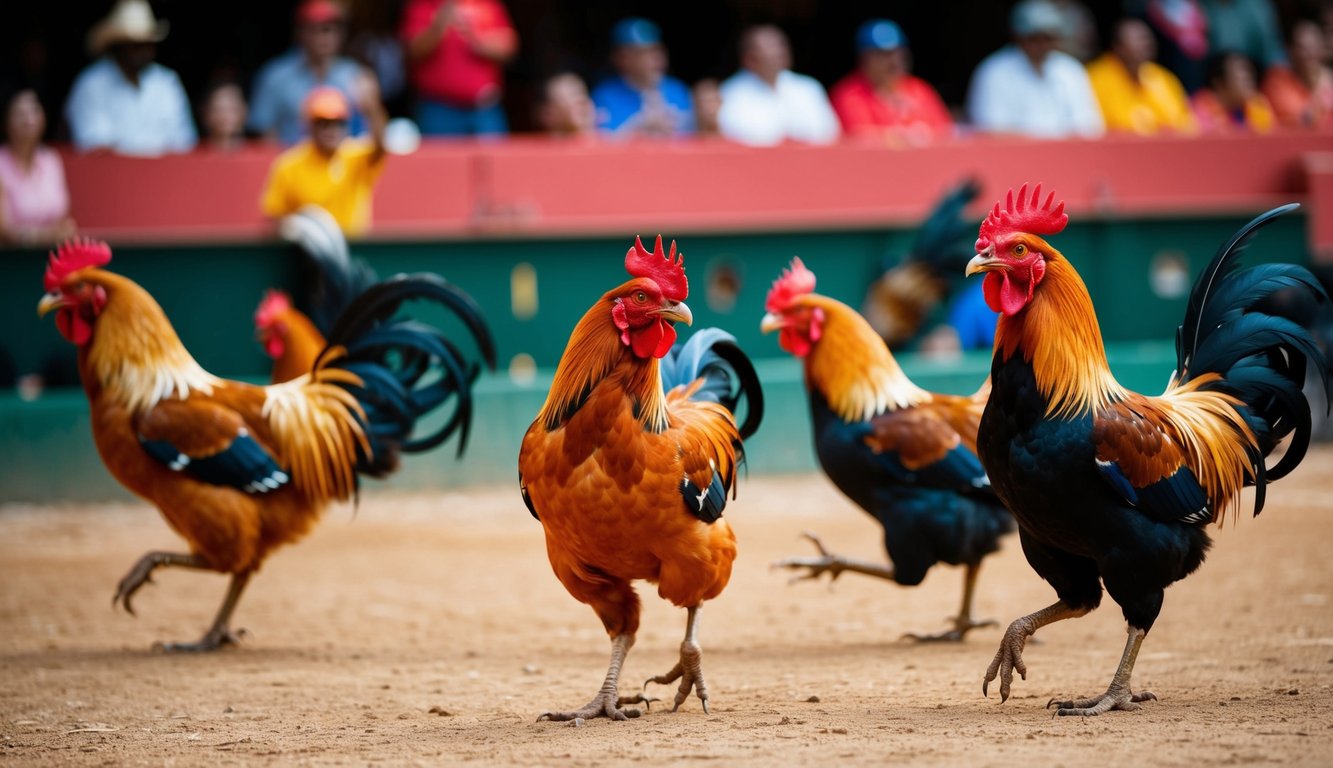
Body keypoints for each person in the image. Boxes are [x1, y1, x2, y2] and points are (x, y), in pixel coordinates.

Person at [63, 0, 196, 155]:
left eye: (149, 43)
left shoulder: (167, 82)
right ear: (118, 45)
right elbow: (95, 147)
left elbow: (183, 144)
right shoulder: (91, 84)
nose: (145, 51)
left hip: (166, 175)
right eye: (136, 44)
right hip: (111, 176)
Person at [260, 79, 388, 237]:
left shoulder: (355, 156)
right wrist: (291, 228)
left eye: (338, 123)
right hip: (307, 250)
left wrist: (371, 107)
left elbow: (380, 147)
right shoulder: (289, 165)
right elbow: (273, 216)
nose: (331, 130)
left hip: (352, 248)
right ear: (310, 126)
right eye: (323, 123)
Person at [966, 0, 1104, 138]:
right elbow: (990, 130)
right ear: (1018, 37)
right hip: (1013, 157)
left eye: (1048, 38)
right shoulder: (994, 72)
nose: (1042, 45)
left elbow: (1089, 128)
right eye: (1034, 38)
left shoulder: (1070, 70)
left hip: (1066, 155)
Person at [249, 0, 368, 146]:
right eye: (316, 29)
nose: (324, 38)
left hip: (342, 164)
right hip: (292, 162)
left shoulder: (356, 75)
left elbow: (367, 133)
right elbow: (263, 132)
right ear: (300, 33)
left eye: (331, 30)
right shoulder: (276, 77)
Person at [400, 0, 517, 136]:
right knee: (438, 157)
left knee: (497, 156)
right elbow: (413, 52)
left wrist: (476, 39)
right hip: (439, 109)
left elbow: (509, 47)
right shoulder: (423, 6)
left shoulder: (487, 4)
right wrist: (439, 25)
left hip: (485, 108)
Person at [829, 19, 953, 144]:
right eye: (884, 54)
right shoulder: (849, 95)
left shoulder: (920, 89)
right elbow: (862, 139)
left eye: (899, 53)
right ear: (865, 58)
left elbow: (945, 133)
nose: (894, 61)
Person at [716, 24, 840, 146]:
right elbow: (733, 137)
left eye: (782, 44)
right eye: (771, 46)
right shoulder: (729, 93)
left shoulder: (808, 87)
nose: (780, 51)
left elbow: (830, 133)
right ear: (750, 58)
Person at [1087, 18, 1197, 134]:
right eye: (1139, 39)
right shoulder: (1096, 78)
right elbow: (1098, 128)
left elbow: (1184, 125)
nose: (1147, 44)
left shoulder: (1164, 78)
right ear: (1118, 47)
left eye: (1148, 38)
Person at [591, 18, 694, 137]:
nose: (656, 57)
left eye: (657, 49)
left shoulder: (677, 89)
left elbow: (693, 137)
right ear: (622, 59)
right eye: (643, 52)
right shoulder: (604, 96)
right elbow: (601, 143)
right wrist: (640, 127)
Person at [0, 88, 74, 246]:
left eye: (34, 111)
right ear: (5, 121)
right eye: (20, 114)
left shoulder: (51, 160)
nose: (28, 120)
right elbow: (3, 230)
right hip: (10, 261)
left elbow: (63, 218)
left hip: (51, 256)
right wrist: (45, 236)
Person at [1262, 19, 1333, 129]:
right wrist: (1322, 101)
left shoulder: (1330, 80)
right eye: (1302, 47)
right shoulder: (1277, 81)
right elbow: (1301, 120)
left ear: (1323, 48)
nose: (1309, 53)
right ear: (1289, 49)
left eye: (1313, 46)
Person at [1191, 50, 1276, 132]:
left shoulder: (1255, 104)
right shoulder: (1199, 109)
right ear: (1218, 82)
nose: (1250, 84)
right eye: (1243, 79)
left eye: (1251, 78)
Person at [1199, 0, 1288, 73]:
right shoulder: (1201, 7)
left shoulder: (1256, 6)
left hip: (1258, 73)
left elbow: (1271, 51)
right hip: (1216, 76)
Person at [535, 71, 596, 138]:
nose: (582, 100)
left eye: (583, 93)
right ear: (548, 113)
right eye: (570, 96)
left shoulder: (606, 142)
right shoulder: (536, 147)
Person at [199, 81, 249, 152]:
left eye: (232, 109)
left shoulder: (264, 155)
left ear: (244, 111)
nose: (225, 116)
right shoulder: (190, 154)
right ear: (206, 113)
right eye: (218, 110)